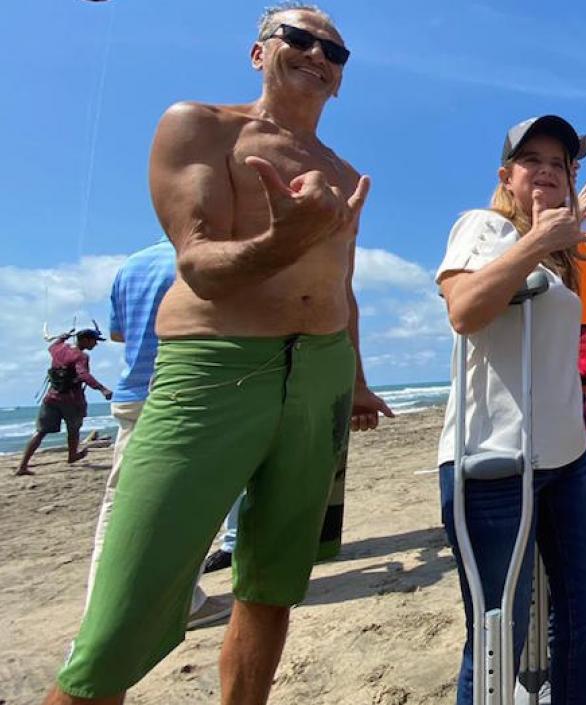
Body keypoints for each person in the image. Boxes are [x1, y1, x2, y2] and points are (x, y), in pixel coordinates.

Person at [43, 5, 393, 704]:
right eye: (298, 37)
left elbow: (341, 286)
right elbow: (199, 262)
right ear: (258, 51)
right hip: (212, 368)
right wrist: (281, 241)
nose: (317, 53)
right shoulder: (199, 125)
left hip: (320, 373)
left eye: (334, 50)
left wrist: (355, 379)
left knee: (272, 585)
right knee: (121, 615)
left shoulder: (344, 172)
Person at [436, 114, 586, 704]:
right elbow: (464, 310)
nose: (546, 171)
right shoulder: (483, 226)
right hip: (494, 461)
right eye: (531, 160)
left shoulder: (565, 257)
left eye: (558, 163)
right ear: (506, 175)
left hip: (566, 460)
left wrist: (558, 243)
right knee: (496, 635)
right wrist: (537, 241)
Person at [85, 239, 233, 629]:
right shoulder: (213, 257)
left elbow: (118, 334)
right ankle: (170, 604)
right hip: (186, 390)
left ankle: (105, 606)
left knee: (121, 504)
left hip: (134, 392)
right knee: (191, 505)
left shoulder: (132, 264)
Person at [15, 327, 113, 476]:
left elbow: (52, 346)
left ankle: (22, 466)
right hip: (71, 400)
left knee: (40, 432)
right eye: (94, 341)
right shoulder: (81, 356)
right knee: (73, 430)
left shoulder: (58, 349)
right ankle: (72, 456)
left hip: (51, 397)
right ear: (85, 340)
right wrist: (102, 389)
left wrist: (62, 337)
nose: (96, 344)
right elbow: (84, 375)